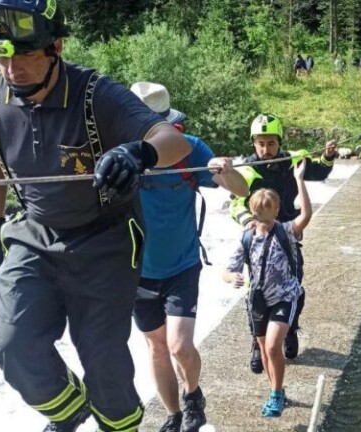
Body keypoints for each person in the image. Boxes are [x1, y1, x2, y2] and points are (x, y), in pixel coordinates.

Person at [0, 1, 192, 431]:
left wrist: (139, 152)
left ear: (56, 47)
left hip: (106, 240)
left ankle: (117, 424)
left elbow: (173, 140)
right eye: (1, 55)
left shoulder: (95, 93)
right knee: (12, 345)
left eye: (25, 55)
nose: (11, 68)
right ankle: (71, 412)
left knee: (104, 365)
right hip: (34, 234)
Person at [130, 82, 249, 432]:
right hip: (137, 270)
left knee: (179, 346)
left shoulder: (189, 149)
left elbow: (243, 190)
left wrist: (224, 171)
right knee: (156, 348)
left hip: (182, 264)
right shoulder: (117, 154)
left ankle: (193, 394)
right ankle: (173, 414)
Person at [228, 114, 336, 374]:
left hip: (287, 234)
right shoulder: (246, 170)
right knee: (257, 292)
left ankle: (290, 328)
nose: (266, 150)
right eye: (260, 144)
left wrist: (329, 156)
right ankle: (258, 343)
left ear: (279, 142)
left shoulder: (293, 159)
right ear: (254, 144)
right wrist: (248, 223)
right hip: (259, 239)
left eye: (271, 144)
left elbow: (318, 170)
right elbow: (234, 204)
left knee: (294, 287)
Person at [226, 160, 310, 417]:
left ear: (276, 210)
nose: (264, 211)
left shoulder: (286, 231)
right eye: (259, 208)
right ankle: (276, 390)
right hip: (258, 299)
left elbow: (305, 215)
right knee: (263, 348)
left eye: (269, 207)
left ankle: (276, 393)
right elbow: (228, 269)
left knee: (273, 346)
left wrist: (299, 179)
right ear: (252, 211)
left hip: (285, 296)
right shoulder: (247, 237)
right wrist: (233, 277)